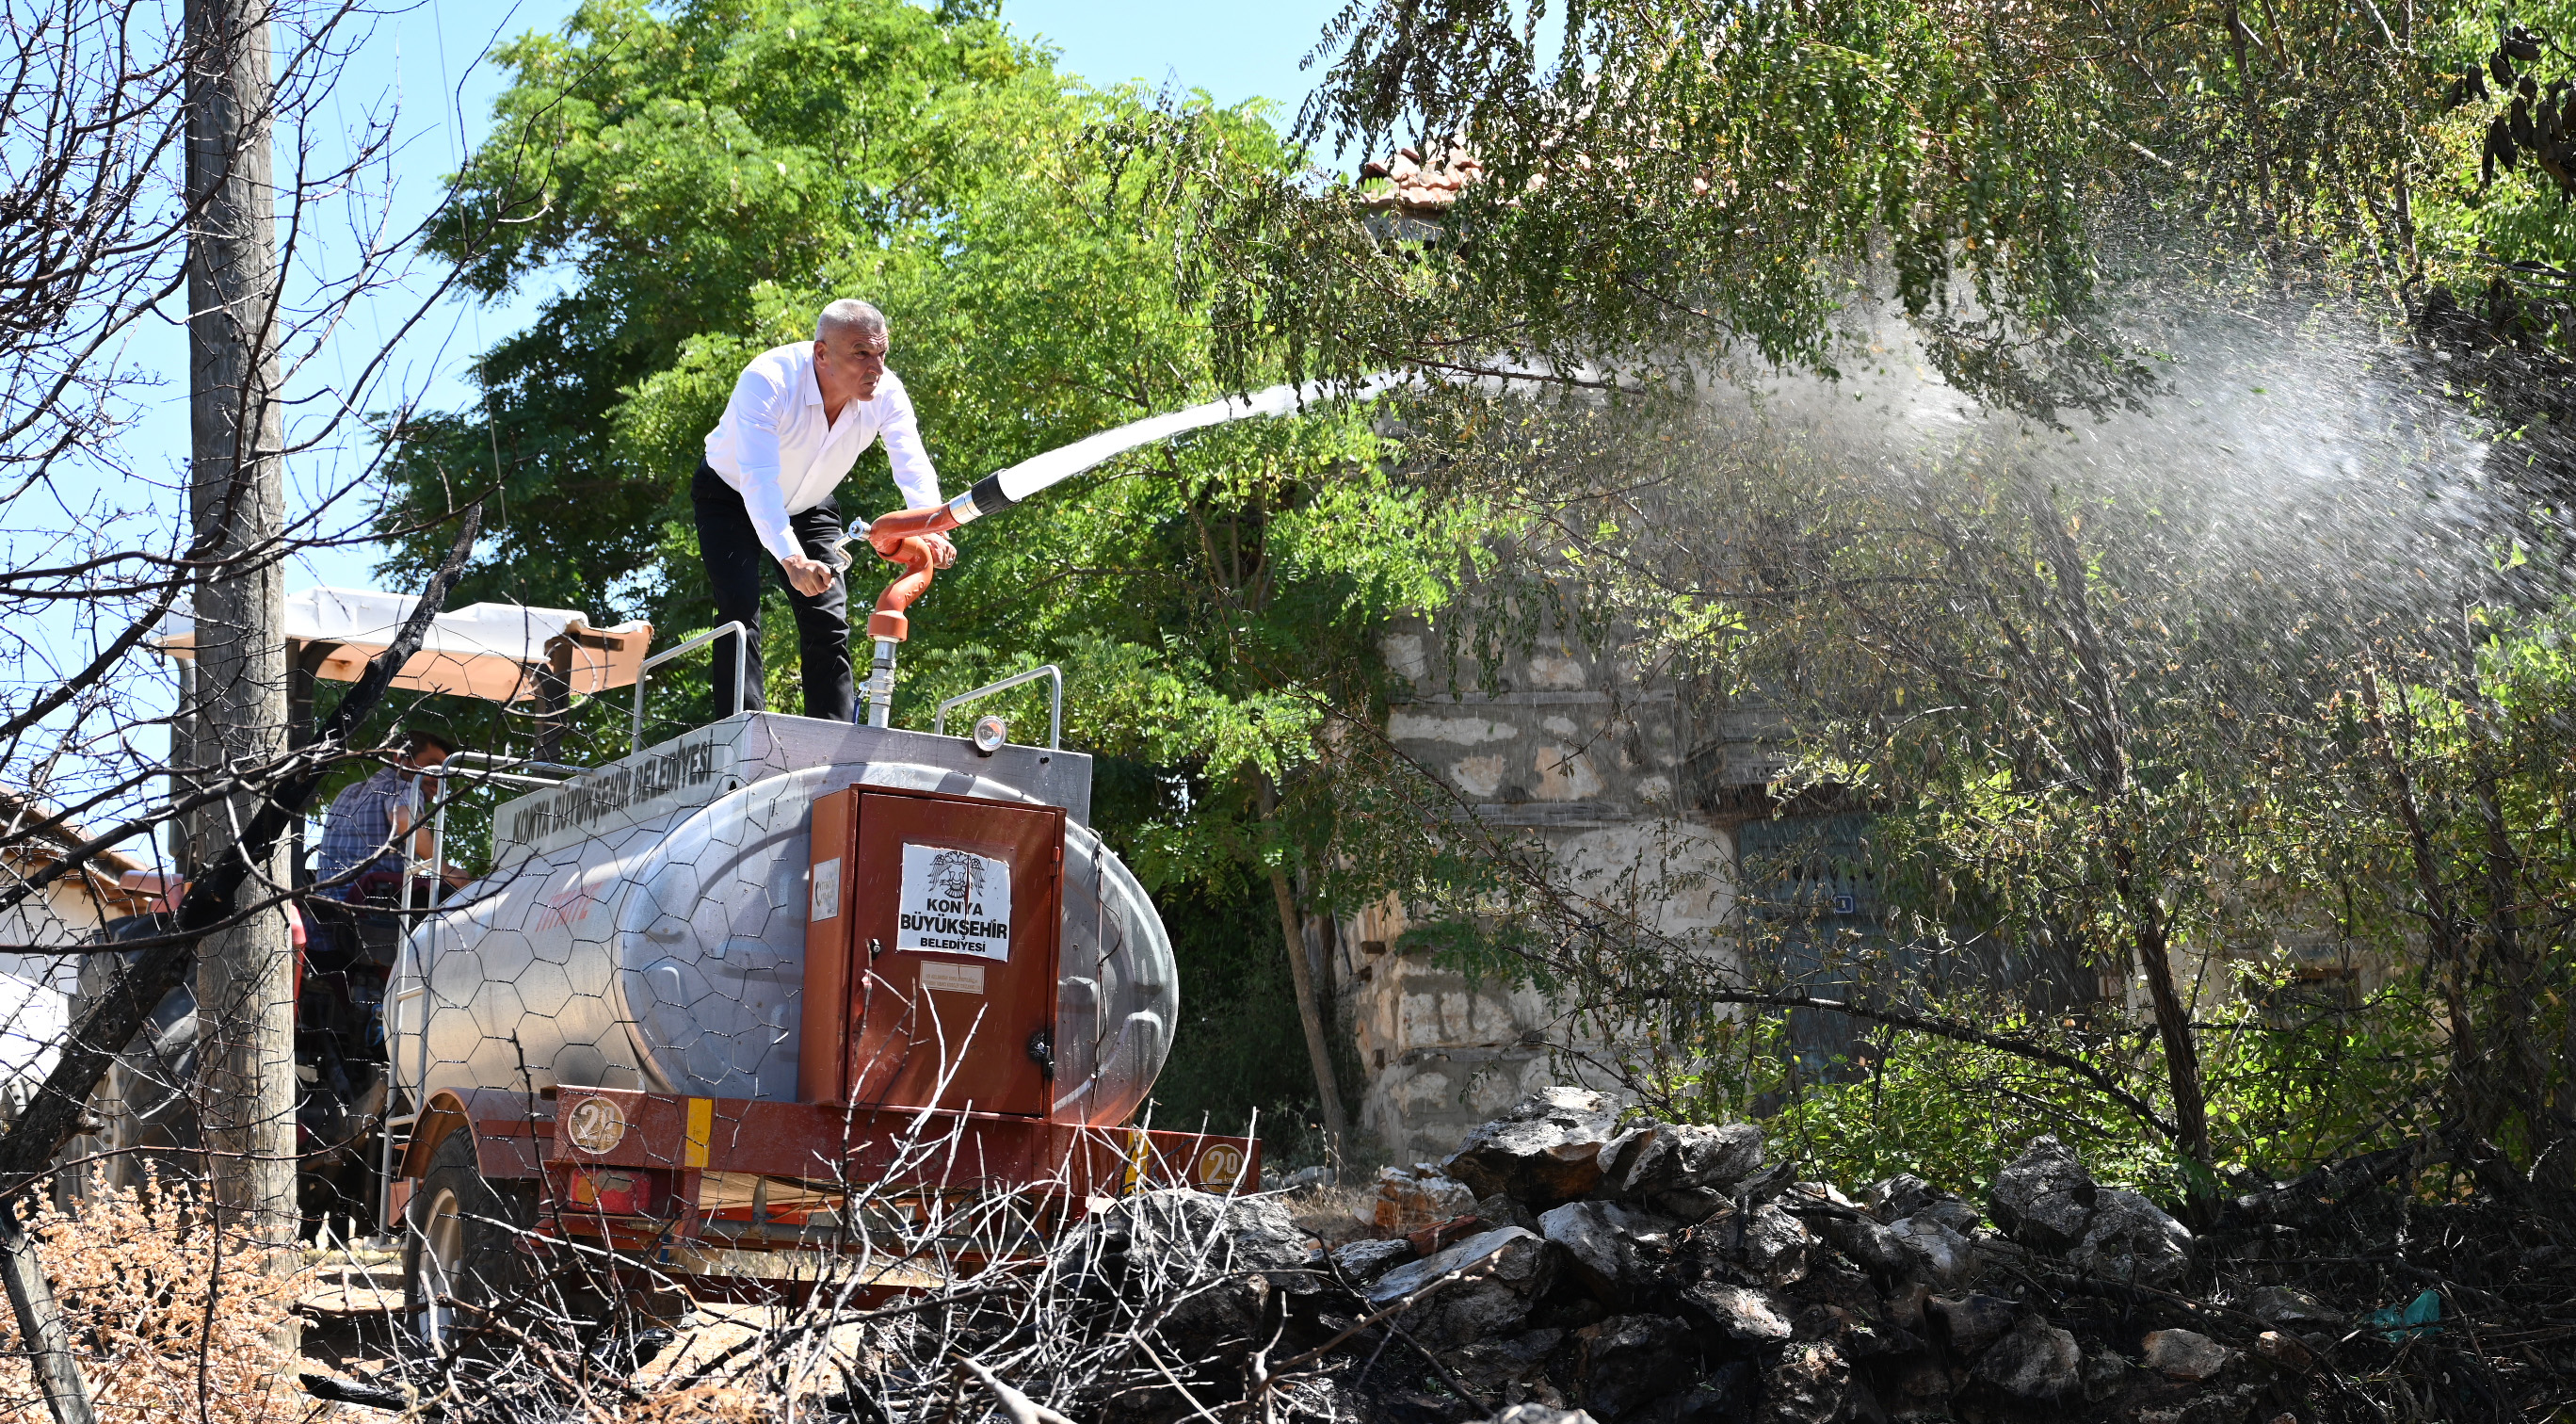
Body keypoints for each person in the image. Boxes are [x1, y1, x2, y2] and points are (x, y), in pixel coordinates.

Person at [694, 299, 956, 721]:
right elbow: (759, 483)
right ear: (821, 353)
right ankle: (742, 735)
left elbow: (912, 463)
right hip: (732, 495)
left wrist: (931, 529)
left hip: (811, 505)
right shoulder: (768, 380)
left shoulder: (887, 392)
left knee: (829, 620)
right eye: (861, 354)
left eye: (881, 353)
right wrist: (792, 558)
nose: (876, 368)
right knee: (740, 613)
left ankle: (830, 741)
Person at [314, 730, 464, 904]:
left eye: (443, 772)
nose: (439, 778)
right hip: (370, 911)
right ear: (401, 759)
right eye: (433, 767)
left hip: (326, 907)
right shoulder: (405, 786)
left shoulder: (349, 791)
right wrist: (444, 868)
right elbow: (404, 819)